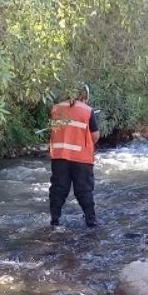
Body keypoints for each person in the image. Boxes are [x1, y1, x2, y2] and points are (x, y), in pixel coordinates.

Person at [48, 83, 100, 227]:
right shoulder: (87, 111)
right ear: (84, 95)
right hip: (81, 159)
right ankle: (91, 220)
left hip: (59, 157)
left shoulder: (56, 108)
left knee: (58, 189)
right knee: (84, 190)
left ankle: (54, 220)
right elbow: (95, 136)